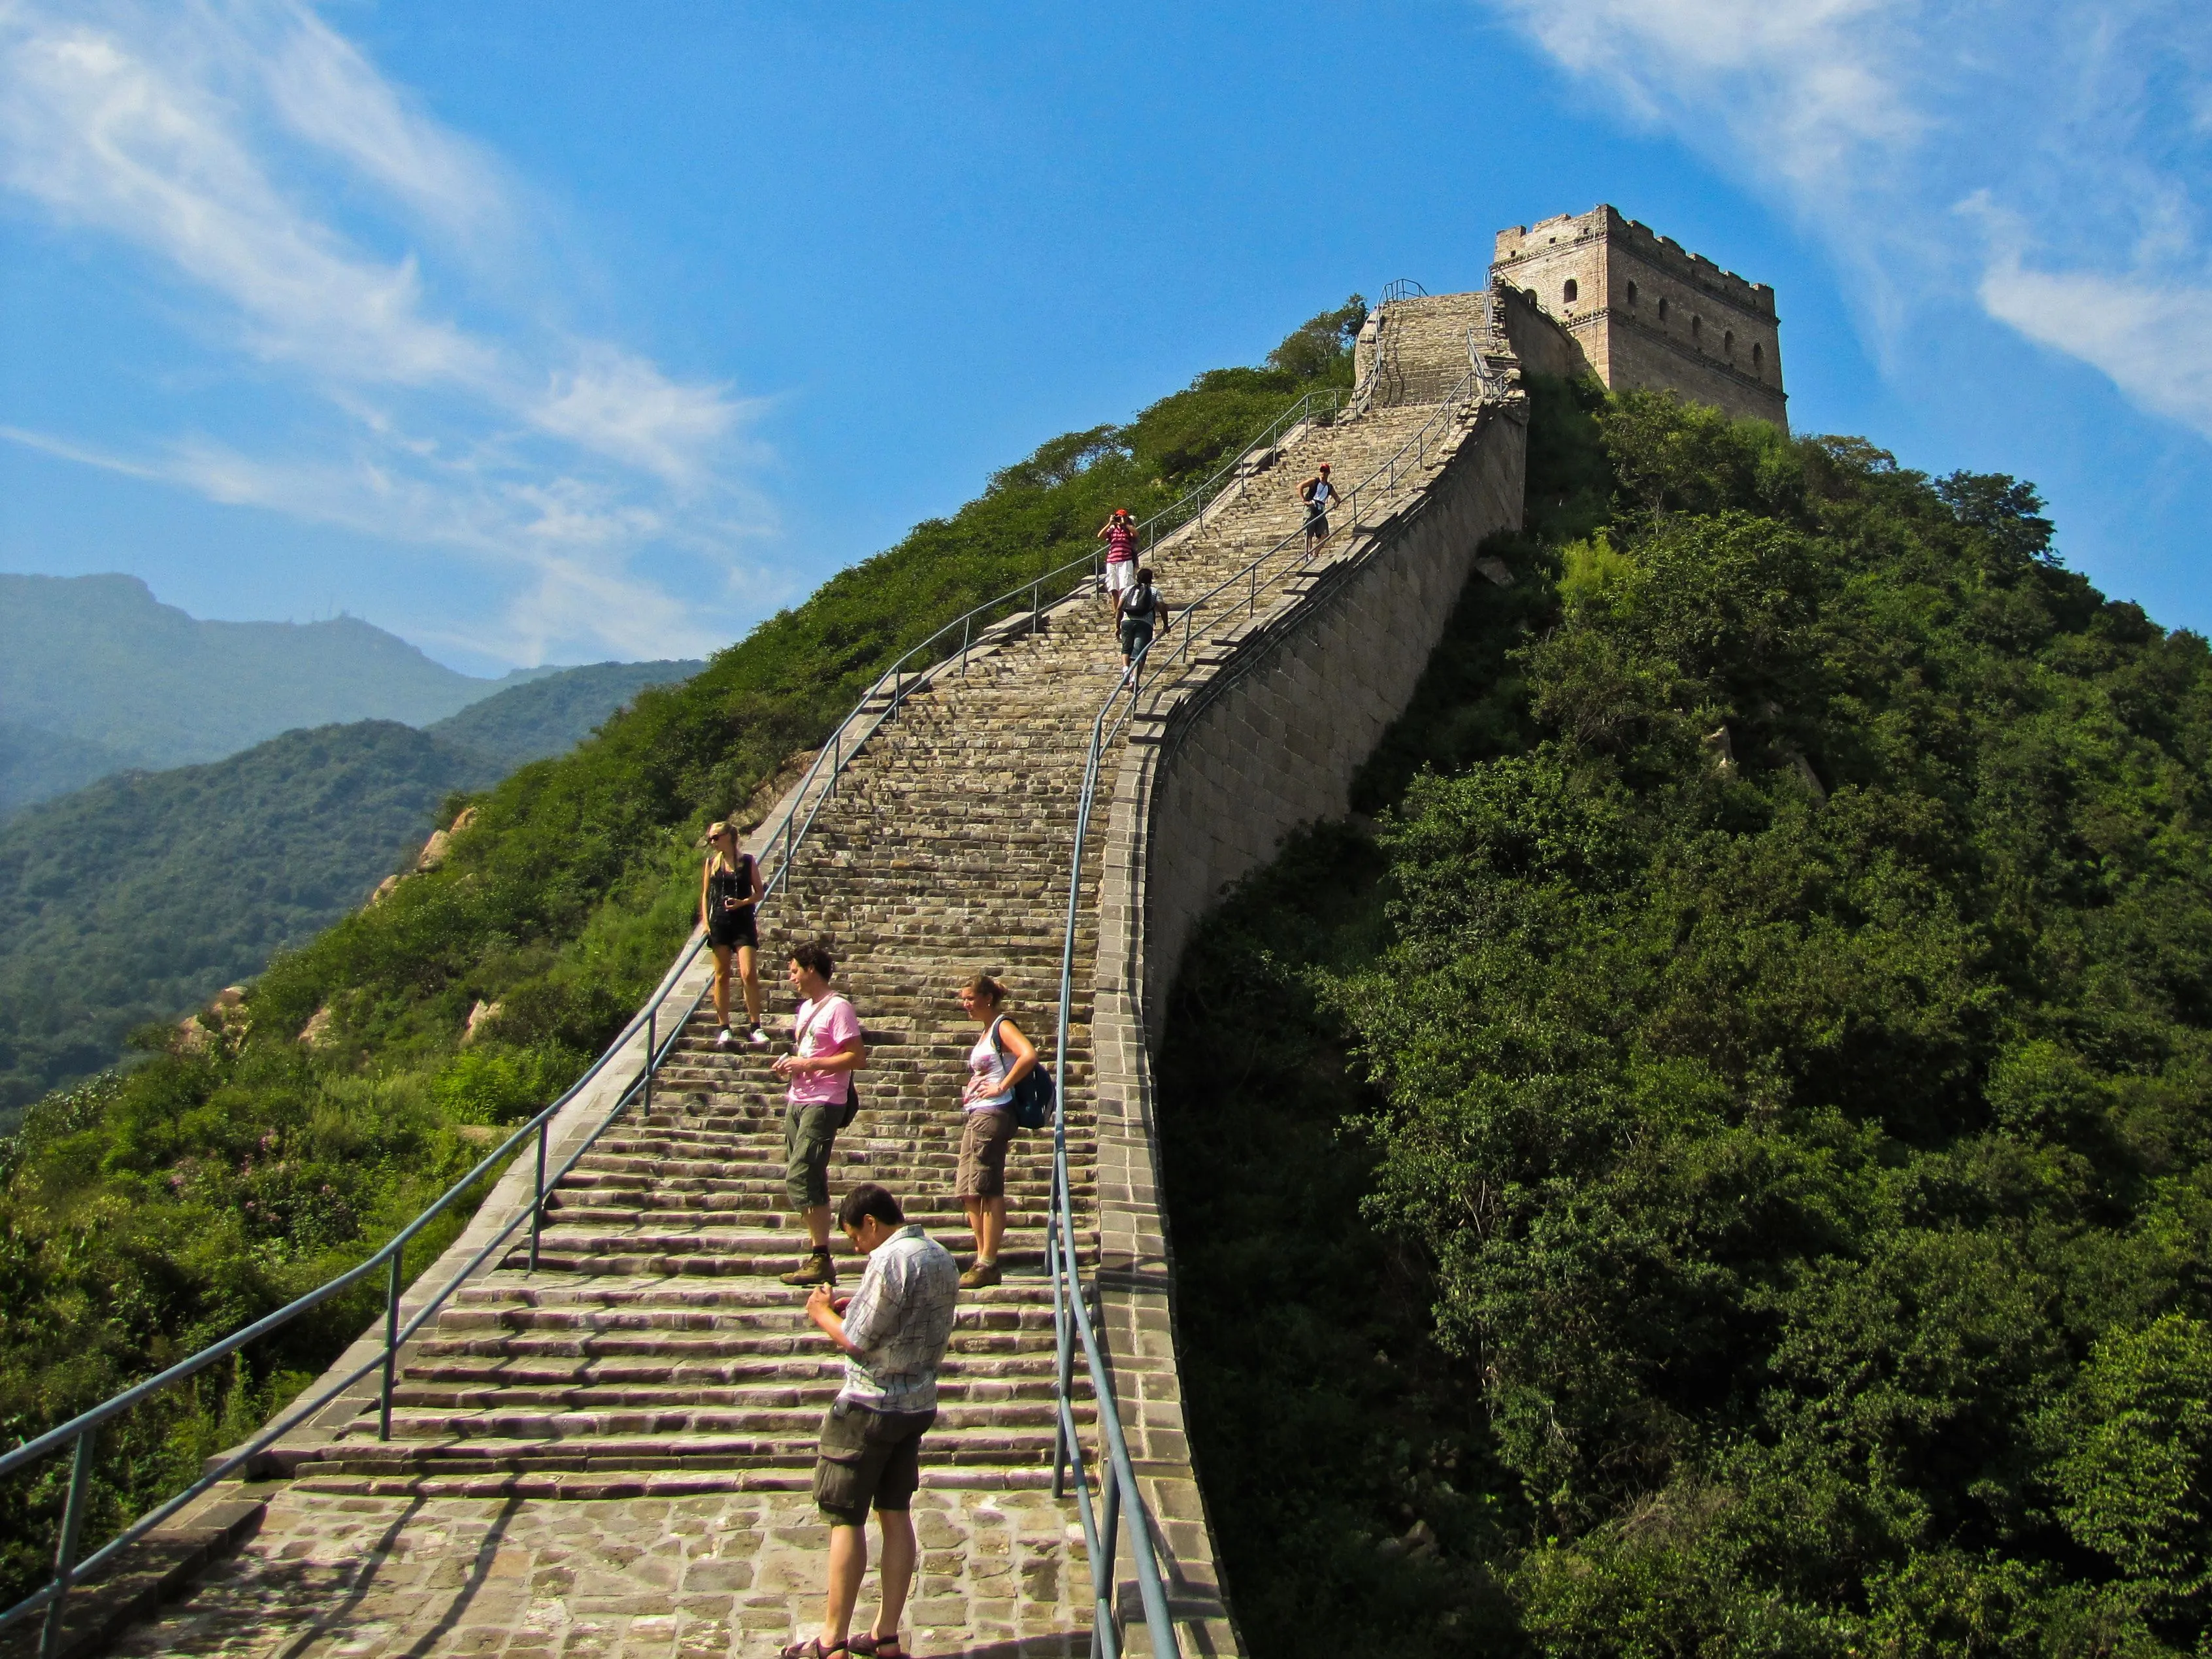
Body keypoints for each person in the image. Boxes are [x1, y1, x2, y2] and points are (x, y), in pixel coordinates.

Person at [782, 1182, 959, 1659]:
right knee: (896, 1513)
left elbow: (857, 1340)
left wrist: (821, 1312)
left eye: (854, 1237)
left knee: (845, 1519)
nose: (856, 1247)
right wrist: (854, 1306)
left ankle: (831, 1642)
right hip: (917, 1403)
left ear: (871, 1223)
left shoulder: (888, 1260)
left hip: (868, 1406)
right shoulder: (941, 1256)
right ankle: (885, 1636)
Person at [773, 943, 867, 1288]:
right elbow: (810, 1051)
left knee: (801, 1174)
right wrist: (792, 1063)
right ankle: (818, 1253)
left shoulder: (839, 1008)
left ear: (812, 968)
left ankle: (821, 1255)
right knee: (808, 1176)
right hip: (798, 1098)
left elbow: (857, 1057)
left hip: (825, 1100)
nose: (791, 976)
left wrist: (809, 1063)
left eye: (795, 969)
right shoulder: (805, 1009)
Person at [952, 973, 1037, 1290]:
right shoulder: (987, 1031)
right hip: (977, 1113)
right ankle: (982, 1256)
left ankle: (987, 1260)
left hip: (994, 1111)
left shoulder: (1002, 1026)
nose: (966, 1005)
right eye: (964, 999)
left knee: (987, 1187)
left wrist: (1001, 1085)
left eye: (970, 998)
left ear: (987, 998)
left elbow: (1028, 1054)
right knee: (968, 1189)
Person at [699, 821, 768, 1047]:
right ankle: (724, 1026)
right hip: (720, 921)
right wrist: (706, 922)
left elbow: (759, 892)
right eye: (711, 838)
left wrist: (742, 903)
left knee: (748, 973)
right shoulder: (712, 863)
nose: (712, 842)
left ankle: (755, 1025)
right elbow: (706, 894)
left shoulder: (747, 862)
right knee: (722, 975)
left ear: (728, 836)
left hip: (743, 921)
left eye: (715, 837)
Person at [1115, 566, 1168, 674]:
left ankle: (1125, 668)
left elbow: (1119, 608)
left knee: (1126, 649)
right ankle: (1133, 680)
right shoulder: (1154, 591)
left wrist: (1117, 627)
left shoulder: (1128, 590)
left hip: (1127, 622)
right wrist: (1166, 624)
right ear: (1151, 579)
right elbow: (1162, 607)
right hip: (1145, 624)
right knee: (1140, 653)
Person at [1096, 507, 1139, 604]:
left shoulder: (1128, 529)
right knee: (1113, 588)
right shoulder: (1112, 530)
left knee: (1125, 587)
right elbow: (1100, 536)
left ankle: (1124, 609)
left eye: (1122, 517)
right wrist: (1110, 523)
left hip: (1125, 559)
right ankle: (1117, 613)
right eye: (1118, 517)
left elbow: (1136, 534)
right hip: (1112, 560)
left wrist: (1125, 524)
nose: (1119, 519)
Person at [1299, 461, 1339, 552]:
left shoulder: (1329, 487)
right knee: (1309, 532)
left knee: (1325, 533)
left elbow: (1337, 497)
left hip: (1321, 509)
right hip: (1311, 506)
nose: (1323, 473)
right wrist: (1304, 500)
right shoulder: (1314, 481)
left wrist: (1337, 502)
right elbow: (1300, 486)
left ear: (1329, 472)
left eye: (1325, 471)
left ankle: (1315, 553)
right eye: (1322, 471)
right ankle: (1309, 554)